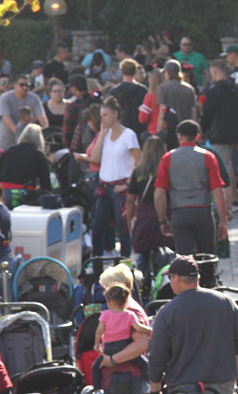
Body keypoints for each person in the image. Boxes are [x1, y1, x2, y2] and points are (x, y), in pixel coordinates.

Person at [149, 255, 238, 394]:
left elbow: (157, 356)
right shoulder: (225, 302)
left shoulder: (167, 312)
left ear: (176, 278)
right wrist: (233, 375)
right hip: (223, 390)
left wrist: (155, 392)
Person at [155, 120, 229, 255]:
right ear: (197, 136)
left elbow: (159, 194)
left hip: (180, 212)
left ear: (179, 136)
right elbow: (218, 191)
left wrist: (162, 220)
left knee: (184, 260)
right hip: (203, 212)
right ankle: (207, 276)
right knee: (207, 258)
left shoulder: (168, 158)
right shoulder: (208, 157)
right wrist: (223, 221)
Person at [87, 97, 141, 257]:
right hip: (104, 185)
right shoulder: (105, 133)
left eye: (105, 115)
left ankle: (125, 264)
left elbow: (140, 162)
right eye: (101, 115)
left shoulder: (128, 135)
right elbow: (95, 158)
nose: (102, 118)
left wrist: (127, 185)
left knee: (122, 228)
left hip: (120, 186)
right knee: (97, 227)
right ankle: (96, 263)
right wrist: (102, 134)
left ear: (115, 114)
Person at [201, 59, 238, 209]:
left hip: (219, 133)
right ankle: (233, 197)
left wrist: (202, 129)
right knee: (231, 165)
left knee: (225, 166)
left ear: (214, 71)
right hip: (234, 133)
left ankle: (231, 200)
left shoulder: (214, 90)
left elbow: (208, 113)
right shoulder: (235, 89)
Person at [126, 136, 172, 277]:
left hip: (145, 216)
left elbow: (130, 200)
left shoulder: (138, 172)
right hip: (165, 214)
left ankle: (144, 285)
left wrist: (129, 221)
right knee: (168, 254)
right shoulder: (168, 169)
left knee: (144, 255)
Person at [92, 283, 151, 390]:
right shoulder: (130, 315)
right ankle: (150, 384)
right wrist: (151, 330)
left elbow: (99, 331)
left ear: (111, 301)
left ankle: (97, 391)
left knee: (95, 367)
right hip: (124, 345)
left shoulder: (105, 315)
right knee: (144, 364)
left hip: (109, 348)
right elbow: (139, 328)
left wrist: (97, 343)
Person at [0, 124, 53, 192]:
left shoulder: (8, 151)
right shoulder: (39, 155)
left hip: (4, 190)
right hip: (25, 191)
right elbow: (45, 182)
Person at [0, 75, 47, 150]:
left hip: (28, 137)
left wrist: (45, 133)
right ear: (15, 85)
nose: (25, 87)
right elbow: (6, 119)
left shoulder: (34, 98)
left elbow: (42, 118)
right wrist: (20, 135)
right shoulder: (5, 97)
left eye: (27, 85)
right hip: (7, 135)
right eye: (22, 85)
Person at [156, 59, 197, 137]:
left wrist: (159, 131)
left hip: (170, 132)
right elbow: (193, 114)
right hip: (187, 133)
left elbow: (162, 112)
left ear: (167, 72)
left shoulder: (163, 88)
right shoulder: (190, 88)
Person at [108, 58, 149, 131]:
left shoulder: (114, 91)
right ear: (135, 71)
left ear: (121, 72)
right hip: (139, 127)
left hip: (121, 127)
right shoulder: (143, 90)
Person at [62, 74, 95, 148]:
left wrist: (67, 147)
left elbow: (67, 130)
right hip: (98, 142)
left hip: (79, 144)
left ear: (74, 88)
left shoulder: (73, 106)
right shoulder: (96, 100)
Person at [138, 68, 163, 137]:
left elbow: (142, 119)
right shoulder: (168, 94)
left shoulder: (150, 97)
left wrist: (141, 109)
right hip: (168, 133)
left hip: (153, 133)